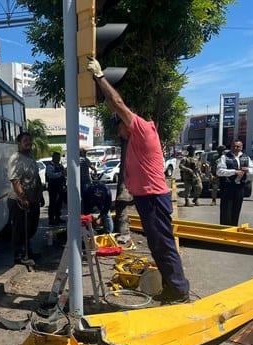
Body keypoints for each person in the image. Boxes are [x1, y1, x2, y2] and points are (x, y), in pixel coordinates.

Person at [87, 57, 190, 305]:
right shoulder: (135, 139)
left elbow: (117, 102)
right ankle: (171, 287)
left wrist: (100, 77)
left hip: (153, 198)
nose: (118, 132)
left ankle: (179, 290)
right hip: (148, 199)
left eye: (118, 128)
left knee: (163, 244)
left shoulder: (142, 129)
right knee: (157, 245)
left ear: (125, 124)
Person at [8, 132, 44, 264]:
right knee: (20, 229)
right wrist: (23, 199)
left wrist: (40, 194)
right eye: (25, 140)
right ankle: (19, 256)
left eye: (30, 140)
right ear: (19, 143)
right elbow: (15, 180)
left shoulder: (30, 157)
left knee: (31, 228)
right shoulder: (16, 158)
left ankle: (28, 252)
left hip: (33, 199)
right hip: (19, 201)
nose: (28, 143)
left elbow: (36, 177)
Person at [216, 140, 253, 225]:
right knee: (226, 210)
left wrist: (248, 170)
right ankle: (225, 230)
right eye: (234, 146)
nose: (236, 148)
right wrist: (234, 172)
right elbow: (219, 171)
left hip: (240, 187)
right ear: (231, 147)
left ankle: (234, 229)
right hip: (227, 187)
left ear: (241, 147)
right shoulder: (224, 157)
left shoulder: (246, 157)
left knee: (236, 209)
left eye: (238, 146)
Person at [46, 151, 67, 225]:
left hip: (60, 187)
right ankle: (51, 220)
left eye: (59, 158)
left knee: (59, 203)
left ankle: (58, 218)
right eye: (56, 157)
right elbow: (51, 175)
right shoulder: (50, 166)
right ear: (53, 157)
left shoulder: (60, 166)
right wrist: (61, 173)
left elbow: (64, 174)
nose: (58, 159)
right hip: (53, 187)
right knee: (53, 203)